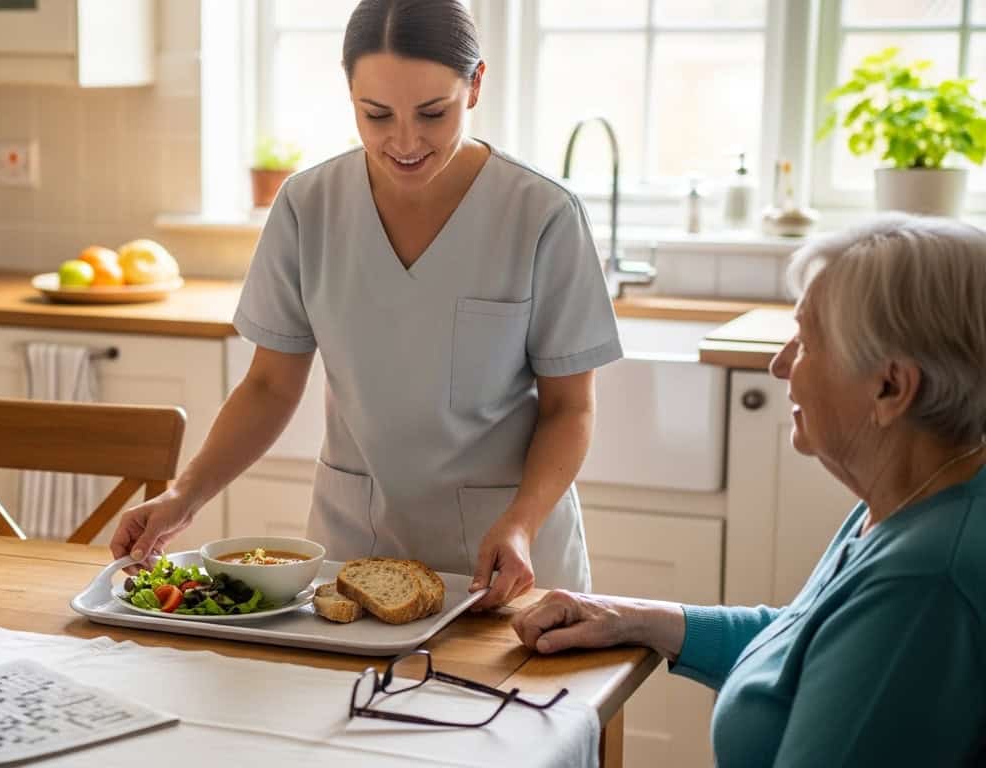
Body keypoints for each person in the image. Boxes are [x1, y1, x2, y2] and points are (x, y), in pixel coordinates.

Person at [111, 0, 622, 608]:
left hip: (507, 557)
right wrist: (183, 495)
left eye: (433, 113)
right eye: (375, 114)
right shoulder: (308, 205)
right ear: (348, 91)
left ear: (476, 85)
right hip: (352, 551)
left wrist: (522, 523)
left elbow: (570, 409)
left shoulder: (542, 214)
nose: (404, 141)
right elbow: (270, 386)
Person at [511, 214, 986, 765]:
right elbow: (803, 644)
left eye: (806, 343)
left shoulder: (925, 582)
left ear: (891, 387)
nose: (780, 365)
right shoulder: (907, 502)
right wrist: (633, 619)